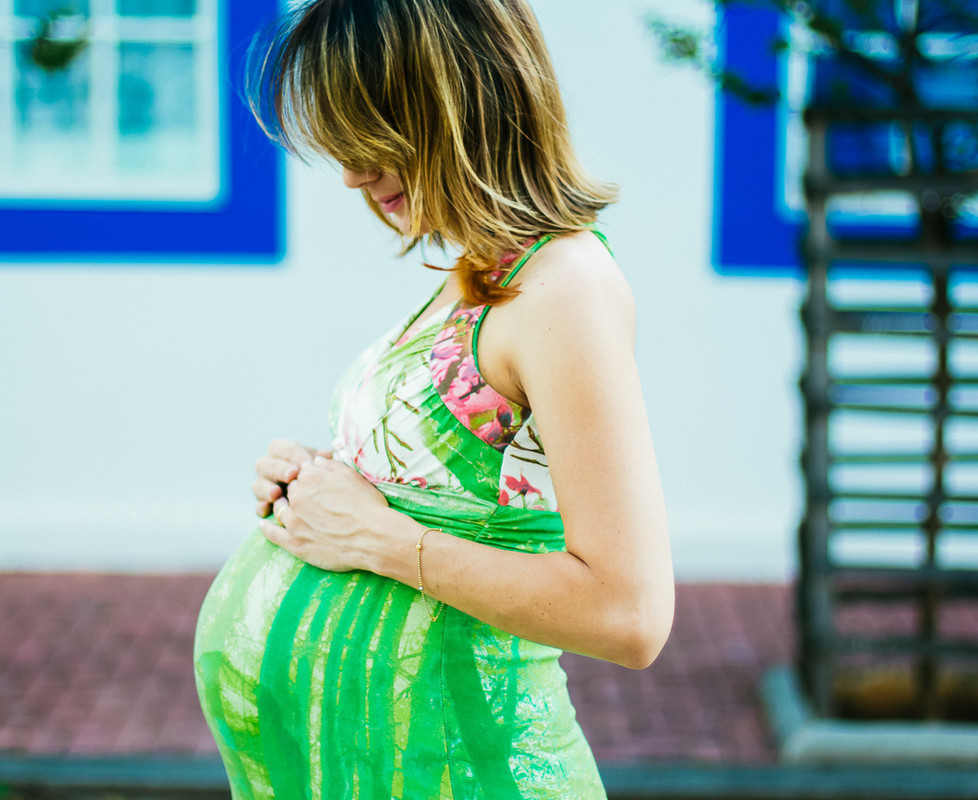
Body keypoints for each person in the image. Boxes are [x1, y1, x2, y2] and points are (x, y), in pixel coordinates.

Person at [194, 0, 673, 796]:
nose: (350, 174)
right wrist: (319, 488)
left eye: (369, 139)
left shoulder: (567, 289)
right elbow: (461, 492)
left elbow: (628, 613)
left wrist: (375, 539)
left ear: (457, 102)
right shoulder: (479, 275)